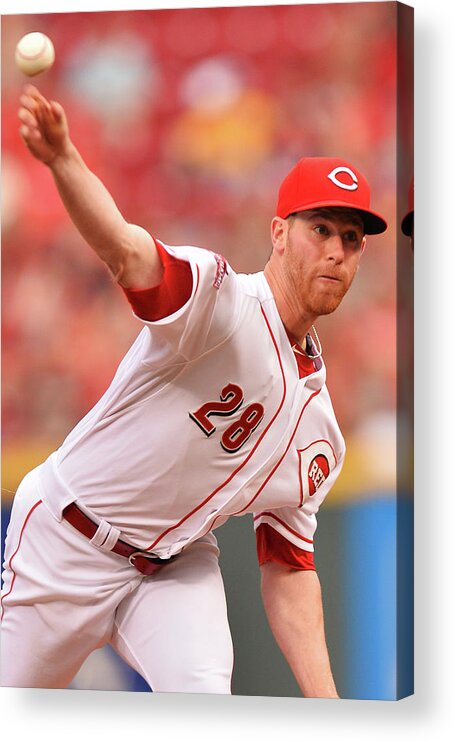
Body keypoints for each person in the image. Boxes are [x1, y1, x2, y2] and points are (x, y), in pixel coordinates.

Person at [1, 84, 387, 697]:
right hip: (67, 538)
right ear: (279, 233)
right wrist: (64, 161)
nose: (337, 251)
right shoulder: (218, 300)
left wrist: (328, 709)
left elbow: (289, 568)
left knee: (207, 708)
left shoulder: (323, 435)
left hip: (173, 569)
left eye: (352, 239)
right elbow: (126, 252)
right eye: (322, 229)